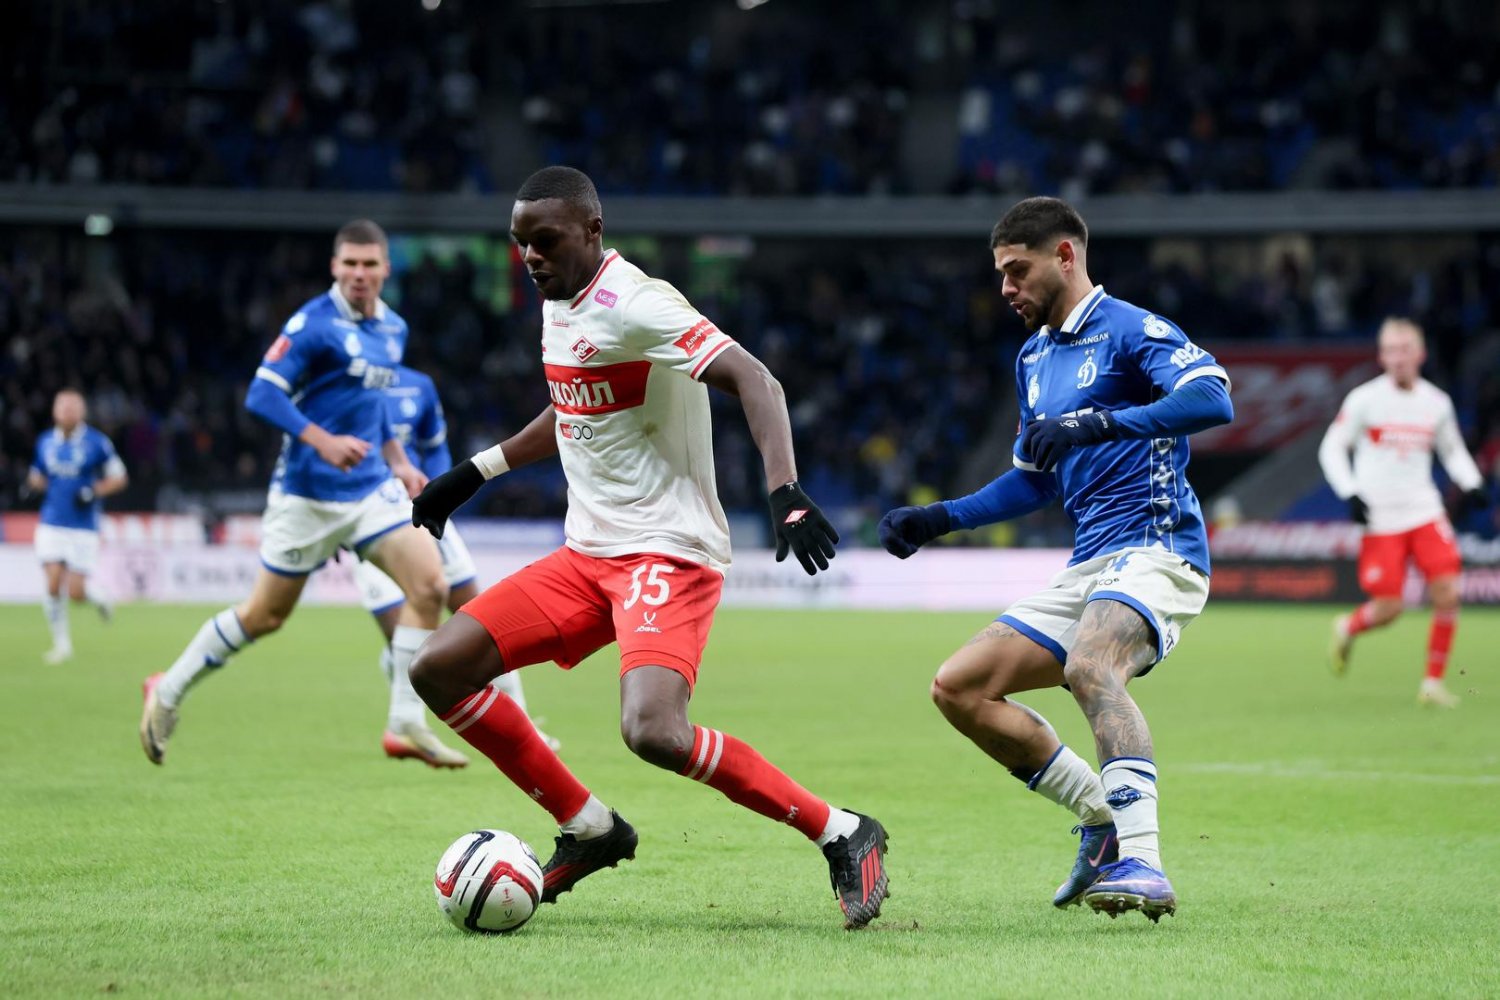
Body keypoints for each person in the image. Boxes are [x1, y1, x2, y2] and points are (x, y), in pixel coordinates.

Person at [405, 166, 889, 930]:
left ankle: (842, 831)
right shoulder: (559, 301)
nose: (530, 257)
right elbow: (573, 404)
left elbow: (757, 380)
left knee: (653, 731)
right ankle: (589, 827)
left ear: (592, 230)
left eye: (545, 240)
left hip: (667, 551)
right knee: (436, 668)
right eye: (520, 243)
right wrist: (474, 473)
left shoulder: (638, 303)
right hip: (586, 556)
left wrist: (786, 492)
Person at [877, 197, 1233, 922]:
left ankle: (1146, 863)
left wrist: (1100, 423)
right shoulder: (1033, 358)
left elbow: (1212, 398)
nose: (1006, 288)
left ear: (1065, 256)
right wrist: (940, 518)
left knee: (1090, 666)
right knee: (958, 688)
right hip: (1091, 564)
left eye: (1017, 270)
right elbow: (1035, 478)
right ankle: (1102, 818)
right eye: (1001, 274)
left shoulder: (1132, 330)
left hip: (1158, 547)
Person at [139, 220, 465, 769]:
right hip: (306, 497)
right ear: (334, 267)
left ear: (386, 268)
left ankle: (405, 722)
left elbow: (374, 406)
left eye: (369, 264)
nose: (359, 273)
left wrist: (400, 461)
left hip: (369, 492)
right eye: (349, 263)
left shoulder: (394, 328)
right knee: (264, 615)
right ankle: (167, 689)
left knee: (431, 585)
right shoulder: (312, 324)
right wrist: (322, 440)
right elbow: (262, 393)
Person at [352, 362, 558, 757]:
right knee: (406, 636)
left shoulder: (419, 386)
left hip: (421, 513)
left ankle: (523, 724)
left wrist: (440, 493)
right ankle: (403, 723)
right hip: (372, 518)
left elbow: (434, 448)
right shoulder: (346, 385)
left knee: (483, 620)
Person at [1318, 317, 1487, 708]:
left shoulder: (1436, 403)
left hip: (1424, 510)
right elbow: (1332, 447)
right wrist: (1350, 492)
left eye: (1404, 350)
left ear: (1420, 354)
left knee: (1448, 591)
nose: (1397, 358)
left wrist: (1472, 482)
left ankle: (1432, 684)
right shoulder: (1364, 399)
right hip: (1380, 518)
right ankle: (1348, 626)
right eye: (1390, 351)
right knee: (1390, 609)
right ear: (1381, 356)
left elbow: (1452, 451)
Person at [26, 389, 128, 663]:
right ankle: (61, 646)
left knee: (76, 593)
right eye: (62, 407)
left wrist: (94, 491)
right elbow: (36, 474)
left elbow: (119, 478)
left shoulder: (97, 443)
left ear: (82, 412)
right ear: (54, 411)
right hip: (51, 522)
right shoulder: (45, 441)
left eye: (72, 407)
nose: (66, 412)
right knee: (52, 582)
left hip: (83, 526)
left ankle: (100, 598)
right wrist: (34, 485)